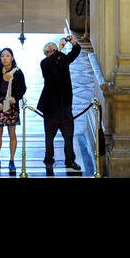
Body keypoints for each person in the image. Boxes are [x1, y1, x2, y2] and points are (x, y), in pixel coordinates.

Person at [38, 34, 82, 172]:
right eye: (52, 50)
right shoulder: (44, 63)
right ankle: (49, 160)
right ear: (47, 53)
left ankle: (70, 160)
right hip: (51, 108)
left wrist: (74, 43)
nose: (56, 52)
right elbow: (50, 63)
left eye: (55, 49)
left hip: (65, 106)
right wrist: (58, 51)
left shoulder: (62, 59)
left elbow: (75, 53)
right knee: (49, 137)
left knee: (68, 136)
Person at [0, 47, 26, 175]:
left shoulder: (18, 73)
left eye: (7, 56)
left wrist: (15, 98)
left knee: (12, 134)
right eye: (2, 56)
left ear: (12, 58)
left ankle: (11, 160)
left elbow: (23, 88)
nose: (4, 58)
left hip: (12, 108)